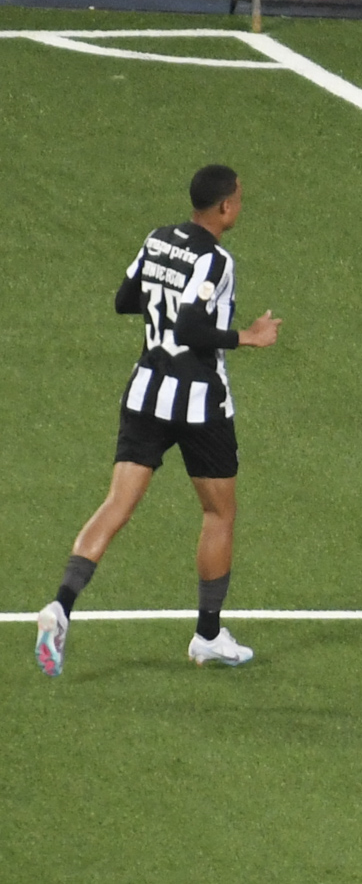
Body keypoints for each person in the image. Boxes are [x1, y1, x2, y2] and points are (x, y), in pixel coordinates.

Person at [34, 164, 282, 676]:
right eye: (238, 198)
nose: (240, 204)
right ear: (224, 207)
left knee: (117, 504)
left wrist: (161, 307)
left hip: (145, 391)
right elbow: (190, 327)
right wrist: (247, 337)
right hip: (199, 403)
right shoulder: (216, 260)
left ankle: (61, 605)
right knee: (218, 514)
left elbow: (125, 300)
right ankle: (208, 636)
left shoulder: (158, 239)